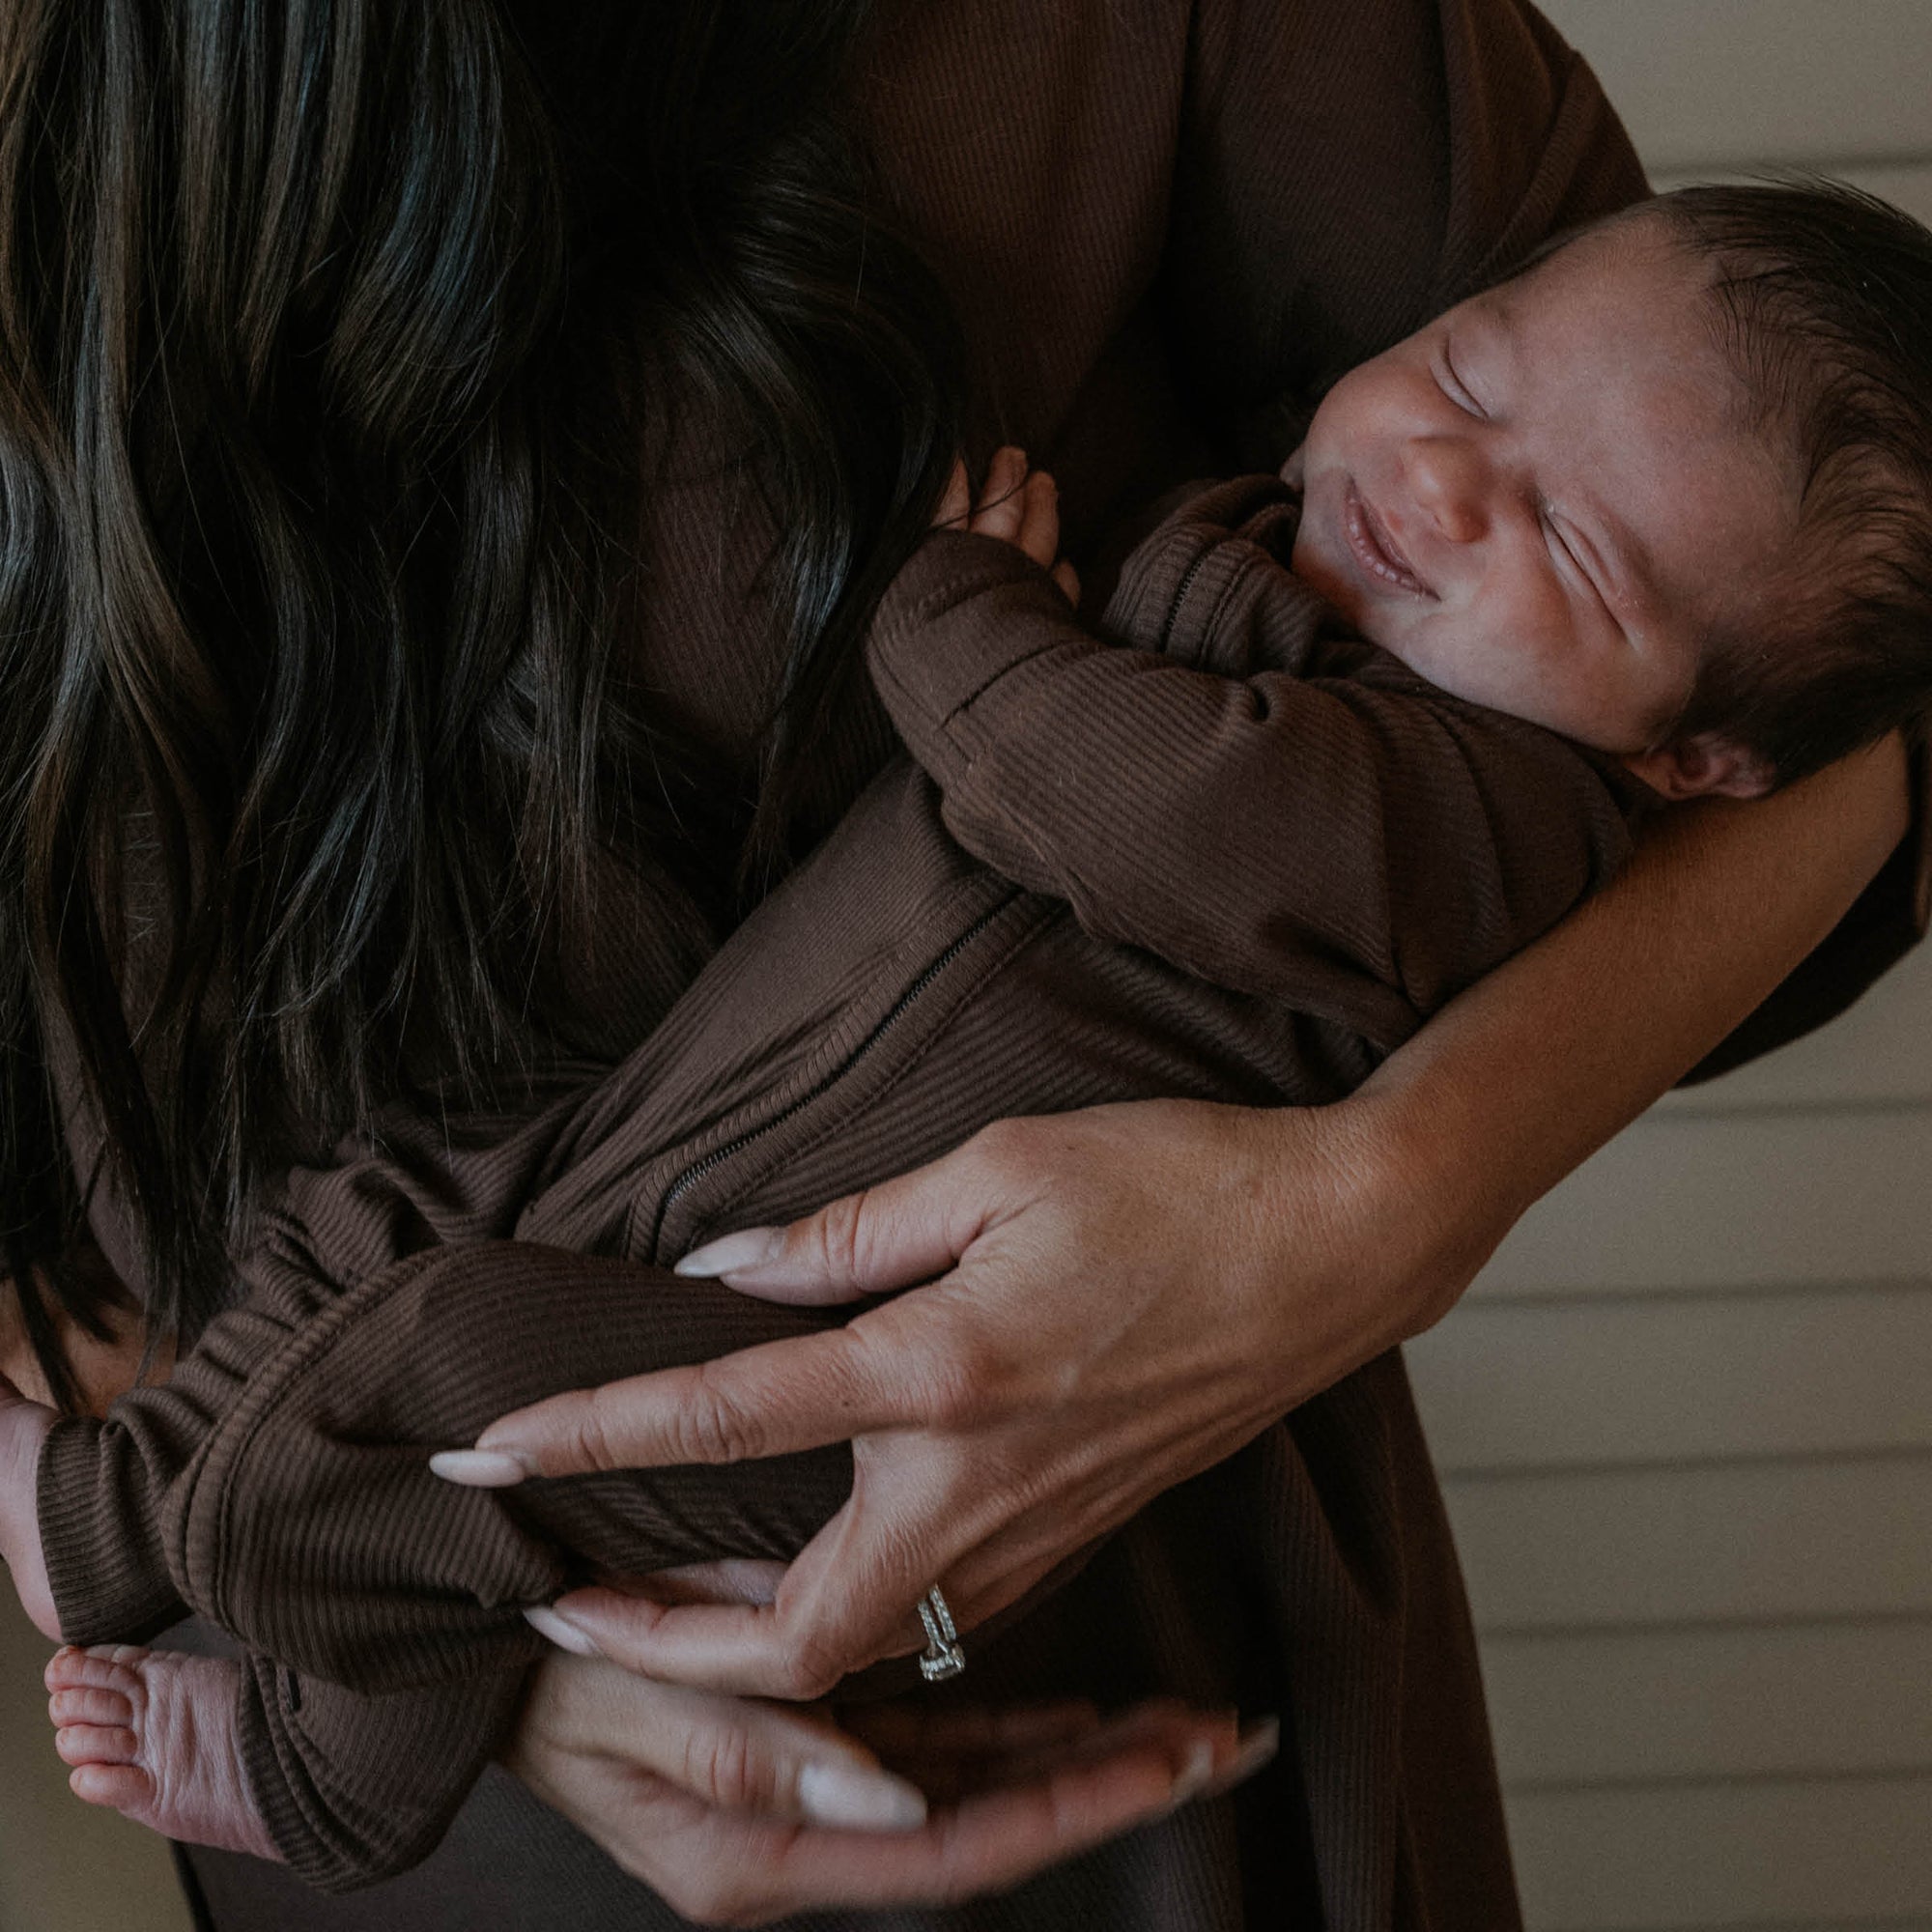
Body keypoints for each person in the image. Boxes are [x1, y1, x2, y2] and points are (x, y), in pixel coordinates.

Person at [0, 2, 1919, 1926]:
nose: (1445, 477)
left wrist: (1378, 1199)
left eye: (1559, 539)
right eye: (1458, 376)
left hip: (1030, 1553)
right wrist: (508, 1686)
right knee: (396, 1362)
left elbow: (1846, 723)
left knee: (430, 1384)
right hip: (352, 1589)